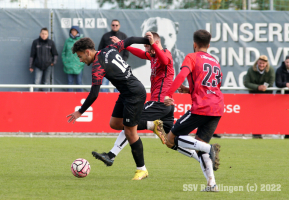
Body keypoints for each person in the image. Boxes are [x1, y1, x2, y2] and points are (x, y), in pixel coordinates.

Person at [92, 32, 199, 167]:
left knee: (129, 123)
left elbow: (165, 61)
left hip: (159, 103)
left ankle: (111, 155)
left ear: (156, 43)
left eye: (147, 46)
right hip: (165, 106)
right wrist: (123, 44)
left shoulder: (166, 53)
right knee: (170, 141)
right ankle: (202, 157)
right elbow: (140, 53)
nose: (146, 49)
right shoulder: (153, 56)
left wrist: (153, 44)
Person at [66, 36, 156, 180]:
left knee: (130, 132)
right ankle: (151, 124)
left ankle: (142, 169)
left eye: (80, 56)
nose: (80, 60)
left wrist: (80, 111)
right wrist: (148, 41)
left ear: (87, 52)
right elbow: (130, 40)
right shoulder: (110, 48)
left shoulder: (97, 66)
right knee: (114, 123)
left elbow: (94, 94)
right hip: (126, 93)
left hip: (134, 94)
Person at [163, 30, 223, 192]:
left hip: (202, 106)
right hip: (217, 107)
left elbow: (181, 74)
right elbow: (214, 86)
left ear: (194, 44)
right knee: (199, 143)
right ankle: (212, 184)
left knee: (170, 139)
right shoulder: (214, 60)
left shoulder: (192, 57)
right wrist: (189, 90)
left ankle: (209, 149)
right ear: (209, 45)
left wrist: (169, 94)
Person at [243, 55, 275, 139]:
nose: (261, 65)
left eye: (263, 63)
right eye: (260, 63)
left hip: (266, 97)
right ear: (257, 62)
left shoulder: (270, 70)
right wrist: (258, 87)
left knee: (264, 115)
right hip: (253, 97)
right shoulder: (251, 70)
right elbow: (246, 83)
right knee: (254, 115)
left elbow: (271, 82)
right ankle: (256, 133)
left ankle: (264, 132)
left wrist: (264, 87)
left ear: (266, 64)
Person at [98, 19, 129, 92]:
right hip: (107, 65)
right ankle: (105, 100)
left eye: (116, 25)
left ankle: (117, 101)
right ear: (111, 26)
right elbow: (100, 50)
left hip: (119, 65)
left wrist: (122, 61)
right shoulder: (105, 36)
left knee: (119, 84)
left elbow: (126, 51)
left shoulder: (123, 36)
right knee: (104, 85)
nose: (115, 26)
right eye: (113, 25)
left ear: (119, 26)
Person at [62, 26, 85, 92]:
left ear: (77, 32)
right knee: (70, 82)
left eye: (75, 31)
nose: (73, 32)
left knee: (79, 82)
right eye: (72, 30)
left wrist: (81, 63)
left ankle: (80, 98)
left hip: (78, 66)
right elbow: (63, 52)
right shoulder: (67, 41)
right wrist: (65, 62)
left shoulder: (81, 41)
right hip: (69, 65)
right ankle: (69, 99)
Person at [275, 55, 289, 139]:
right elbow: (278, 83)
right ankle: (280, 133)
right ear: (284, 62)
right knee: (282, 117)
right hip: (282, 97)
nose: (288, 64)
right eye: (287, 62)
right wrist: (286, 84)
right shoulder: (279, 70)